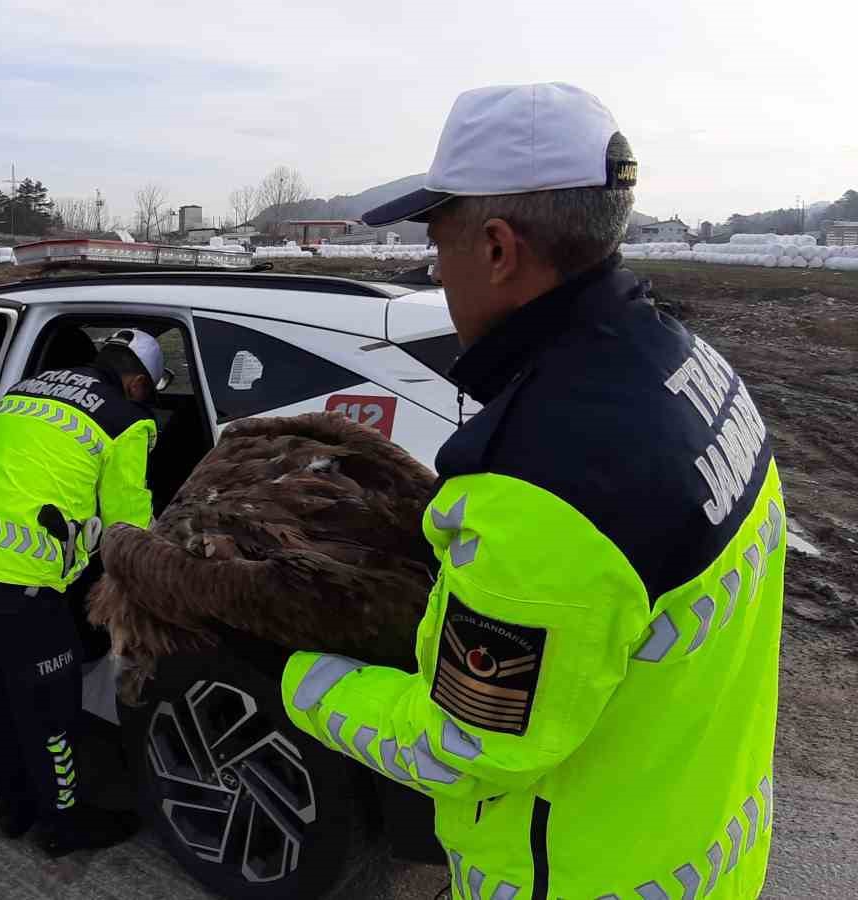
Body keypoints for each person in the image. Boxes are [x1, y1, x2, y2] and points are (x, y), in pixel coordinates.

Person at [280, 83, 784, 899]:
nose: (431, 267)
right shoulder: (695, 368)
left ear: (498, 248)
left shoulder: (541, 482)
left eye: (437, 240)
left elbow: (467, 745)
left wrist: (301, 679)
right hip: (708, 849)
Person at [0, 329, 166, 857]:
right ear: (139, 382)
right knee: (52, 711)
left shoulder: (25, 392)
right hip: (16, 583)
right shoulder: (127, 419)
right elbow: (128, 528)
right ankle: (64, 826)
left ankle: (15, 807)